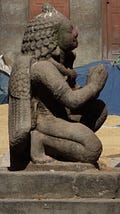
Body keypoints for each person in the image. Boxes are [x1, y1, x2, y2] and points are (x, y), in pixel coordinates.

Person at [8, 3, 108, 170]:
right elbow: (72, 100)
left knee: (99, 109)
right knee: (92, 148)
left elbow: (74, 97)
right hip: (45, 121)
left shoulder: (63, 64)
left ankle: (60, 149)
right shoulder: (42, 68)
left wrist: (89, 87)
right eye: (70, 30)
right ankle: (40, 140)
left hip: (60, 115)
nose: (76, 33)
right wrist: (94, 85)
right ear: (52, 37)